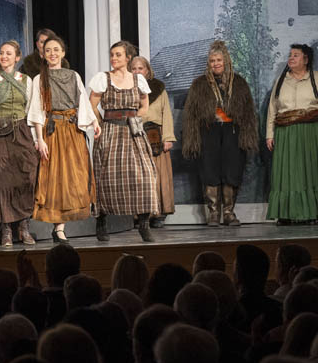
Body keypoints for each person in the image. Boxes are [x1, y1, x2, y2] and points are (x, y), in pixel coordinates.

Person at [28, 35, 96, 242]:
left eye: (56, 50)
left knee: (73, 178)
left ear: (63, 53)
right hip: (53, 132)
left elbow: (83, 101)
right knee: (55, 179)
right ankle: (58, 229)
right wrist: (40, 139)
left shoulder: (73, 75)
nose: (52, 54)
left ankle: (60, 228)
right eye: (48, 50)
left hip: (73, 132)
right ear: (43, 54)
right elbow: (37, 110)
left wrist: (93, 122)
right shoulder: (40, 78)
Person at [182, 40, 257, 227]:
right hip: (209, 133)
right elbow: (191, 114)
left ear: (226, 61)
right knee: (210, 171)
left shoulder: (239, 83)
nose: (215, 64)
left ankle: (229, 213)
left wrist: (247, 137)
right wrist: (192, 140)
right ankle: (214, 213)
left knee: (232, 171)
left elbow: (248, 112)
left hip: (233, 133)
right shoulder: (199, 84)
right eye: (212, 61)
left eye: (219, 60)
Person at [89, 40, 158, 243]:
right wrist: (100, 123)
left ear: (128, 58)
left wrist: (134, 119)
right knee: (106, 177)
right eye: (112, 55)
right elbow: (92, 105)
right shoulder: (103, 78)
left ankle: (144, 224)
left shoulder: (138, 80)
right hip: (110, 130)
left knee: (145, 176)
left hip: (133, 132)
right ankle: (101, 221)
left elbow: (144, 105)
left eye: (118, 55)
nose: (114, 58)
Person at [0, 40, 38, 247]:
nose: (4, 56)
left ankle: (24, 225)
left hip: (20, 131)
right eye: (2, 53)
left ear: (17, 57)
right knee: (0, 179)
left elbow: (31, 108)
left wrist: (35, 138)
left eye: (9, 53)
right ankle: (6, 229)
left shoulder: (26, 80)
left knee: (26, 176)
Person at [266, 44, 318, 224]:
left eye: (296, 55)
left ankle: (311, 213)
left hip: (310, 131)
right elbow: (272, 108)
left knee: (309, 172)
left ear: (306, 59)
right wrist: (270, 134)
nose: (291, 58)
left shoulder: (315, 78)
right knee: (286, 173)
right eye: (290, 55)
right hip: (285, 132)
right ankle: (285, 213)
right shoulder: (281, 80)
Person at [131, 55, 176, 228]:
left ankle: (158, 213)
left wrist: (168, 137)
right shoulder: (127, 89)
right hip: (136, 134)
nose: (137, 71)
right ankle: (141, 215)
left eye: (140, 68)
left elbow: (166, 113)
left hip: (156, 135)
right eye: (134, 68)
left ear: (147, 71)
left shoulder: (159, 89)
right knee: (140, 176)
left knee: (158, 175)